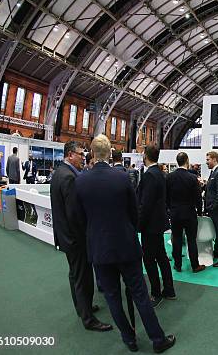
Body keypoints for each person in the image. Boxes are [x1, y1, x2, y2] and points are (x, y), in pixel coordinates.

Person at [75, 135, 176, 353]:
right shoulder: (122, 178)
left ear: (92, 153)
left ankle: (129, 339)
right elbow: (133, 213)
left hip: (99, 249)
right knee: (140, 294)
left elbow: (79, 218)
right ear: (110, 153)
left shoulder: (81, 180)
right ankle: (157, 339)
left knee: (112, 297)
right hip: (126, 246)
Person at [50, 140, 112, 333]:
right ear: (70, 154)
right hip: (75, 239)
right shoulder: (69, 177)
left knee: (75, 275)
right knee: (82, 277)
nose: (83, 158)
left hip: (67, 237)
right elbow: (74, 214)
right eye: (80, 154)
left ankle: (82, 307)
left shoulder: (60, 173)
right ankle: (88, 319)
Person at [138, 145, 175, 307]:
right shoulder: (160, 174)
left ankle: (155, 293)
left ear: (146, 155)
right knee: (161, 257)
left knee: (149, 259)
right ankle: (169, 289)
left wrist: (139, 224)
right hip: (158, 223)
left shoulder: (150, 175)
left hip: (150, 226)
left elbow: (146, 204)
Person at [166, 152, 205, 274]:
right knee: (191, 240)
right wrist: (199, 211)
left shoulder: (169, 177)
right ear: (187, 161)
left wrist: (170, 209)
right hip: (189, 213)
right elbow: (198, 197)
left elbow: (166, 196)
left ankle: (177, 265)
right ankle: (195, 265)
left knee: (176, 239)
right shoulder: (192, 178)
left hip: (175, 213)